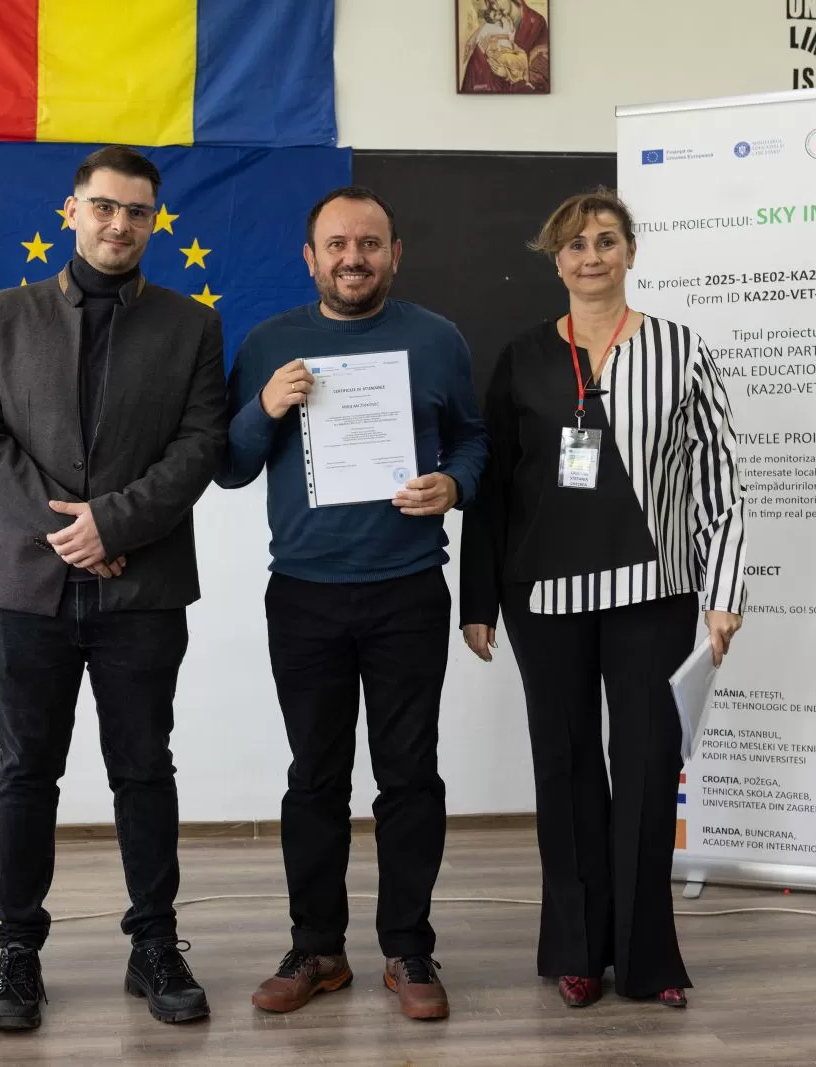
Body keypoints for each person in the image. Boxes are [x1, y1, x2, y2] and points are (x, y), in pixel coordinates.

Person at [0, 145, 228, 1032]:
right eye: (105, 206)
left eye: (138, 211)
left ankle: (155, 944)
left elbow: (200, 445)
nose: (120, 224)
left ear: (154, 222)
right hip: (22, 587)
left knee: (144, 767)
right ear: (72, 211)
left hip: (142, 588)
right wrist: (69, 530)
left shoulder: (192, 326)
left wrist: (114, 524)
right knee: (26, 768)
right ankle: (18, 952)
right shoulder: (2, 316)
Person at [460, 188, 747, 1009]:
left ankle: (648, 957)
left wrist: (724, 592)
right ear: (556, 260)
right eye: (576, 244)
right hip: (542, 596)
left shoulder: (681, 349)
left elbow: (720, 475)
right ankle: (578, 950)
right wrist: (476, 599)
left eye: (607, 240)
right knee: (565, 764)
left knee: (650, 767)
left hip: (654, 591)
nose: (592, 256)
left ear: (630, 251)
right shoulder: (522, 357)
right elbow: (494, 486)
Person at [217, 186, 489, 1021]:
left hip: (408, 589)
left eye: (369, 243)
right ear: (311, 258)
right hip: (304, 594)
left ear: (394, 254)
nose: (353, 257)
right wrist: (264, 408)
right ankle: (317, 947)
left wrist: (454, 484)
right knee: (315, 779)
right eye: (336, 244)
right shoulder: (270, 343)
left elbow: (473, 438)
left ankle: (408, 946)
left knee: (409, 776)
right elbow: (228, 465)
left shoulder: (436, 338)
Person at [459, 0, 550, 94]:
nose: (495, 7)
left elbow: (541, 77)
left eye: (495, 1)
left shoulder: (536, 23)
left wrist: (508, 74)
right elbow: (475, 77)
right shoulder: (490, 28)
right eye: (491, 3)